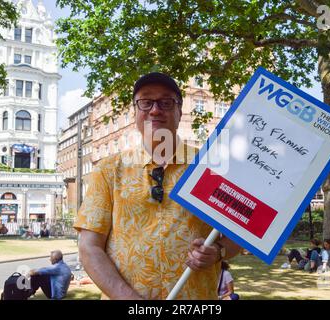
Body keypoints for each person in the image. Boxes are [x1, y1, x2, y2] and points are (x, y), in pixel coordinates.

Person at [74, 72, 241, 300]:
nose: (155, 110)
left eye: (166, 102)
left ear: (180, 111)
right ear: (135, 112)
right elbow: (89, 248)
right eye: (146, 102)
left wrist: (218, 252)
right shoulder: (108, 170)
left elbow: (236, 237)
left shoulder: (209, 167)